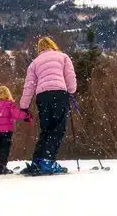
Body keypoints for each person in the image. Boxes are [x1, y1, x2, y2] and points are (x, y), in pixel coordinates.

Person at [19, 36, 77, 175]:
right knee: (58, 129)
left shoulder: (34, 63)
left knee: (46, 129)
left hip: (42, 97)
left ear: (39, 49)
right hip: (59, 93)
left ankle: (38, 160)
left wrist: (24, 106)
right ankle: (48, 161)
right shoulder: (63, 57)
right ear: (53, 45)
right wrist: (71, 90)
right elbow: (70, 77)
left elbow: (29, 86)